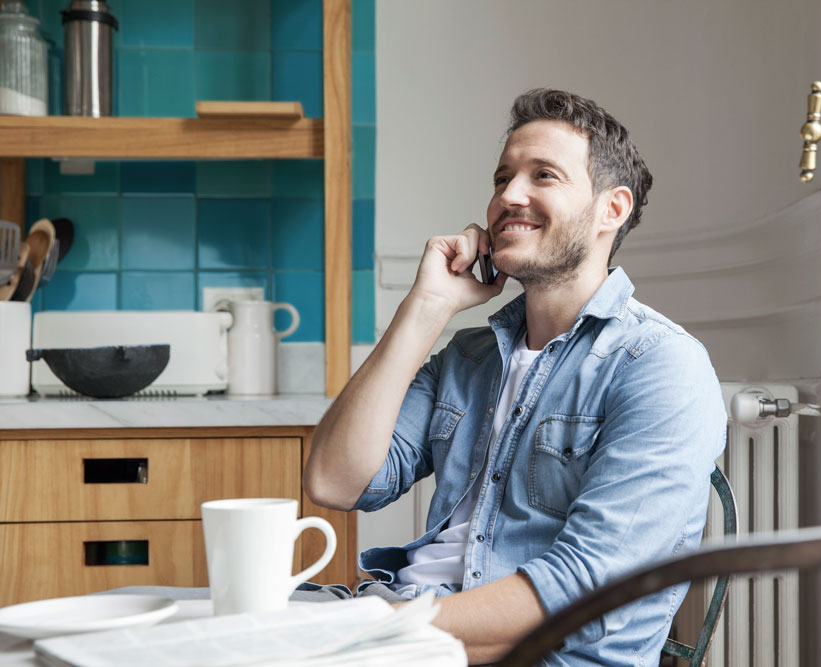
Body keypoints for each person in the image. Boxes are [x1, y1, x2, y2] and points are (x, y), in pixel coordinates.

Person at [304, 88, 727, 666]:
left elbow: (583, 591)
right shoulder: (470, 357)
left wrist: (365, 630)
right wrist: (426, 306)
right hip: (402, 621)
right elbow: (335, 481)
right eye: (503, 177)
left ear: (613, 208)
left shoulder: (659, 365)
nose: (509, 196)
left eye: (543, 175)